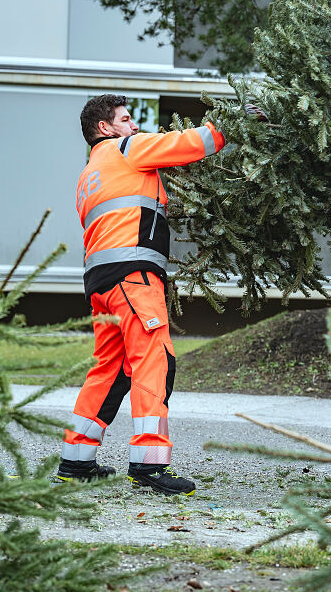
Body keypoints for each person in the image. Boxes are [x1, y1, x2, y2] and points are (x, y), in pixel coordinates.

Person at [53, 94, 252, 494]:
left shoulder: (90, 173)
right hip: (133, 277)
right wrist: (232, 124)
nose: (134, 126)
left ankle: (75, 462)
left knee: (109, 370)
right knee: (153, 361)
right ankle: (148, 464)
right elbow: (185, 144)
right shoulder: (126, 149)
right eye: (126, 119)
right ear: (105, 128)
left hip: (102, 281)